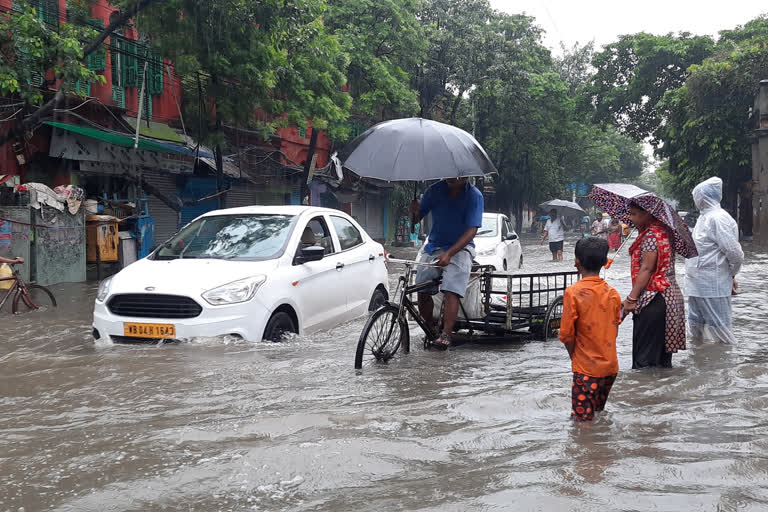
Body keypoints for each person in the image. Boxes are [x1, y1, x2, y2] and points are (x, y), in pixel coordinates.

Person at [409, 177, 483, 347]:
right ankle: (430, 328)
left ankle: (446, 334)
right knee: (421, 286)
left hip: (461, 248)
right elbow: (415, 220)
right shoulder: (434, 191)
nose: (452, 177)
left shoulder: (474, 196)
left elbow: (472, 230)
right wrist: (413, 212)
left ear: (464, 175)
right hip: (434, 246)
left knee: (451, 289)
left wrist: (450, 253)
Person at [559, 237, 621, 421]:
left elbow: (566, 334)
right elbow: (614, 330)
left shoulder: (573, 293)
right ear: (604, 262)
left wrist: (575, 356)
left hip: (586, 370)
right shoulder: (613, 294)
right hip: (610, 368)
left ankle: (589, 449)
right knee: (598, 414)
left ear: (576, 261)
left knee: (582, 423)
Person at [623, 202, 686, 368]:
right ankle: (661, 392)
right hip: (670, 298)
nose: (630, 218)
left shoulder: (651, 236)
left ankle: (646, 392)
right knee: (662, 362)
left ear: (648, 214)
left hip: (655, 298)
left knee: (644, 364)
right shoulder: (664, 232)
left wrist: (631, 298)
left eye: (634, 214)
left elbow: (647, 268)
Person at [685, 177, 744, 344]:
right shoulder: (704, 218)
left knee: (721, 330)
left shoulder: (719, 218)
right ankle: (701, 364)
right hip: (697, 284)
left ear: (703, 197)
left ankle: (726, 366)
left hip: (713, 284)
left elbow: (735, 253)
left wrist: (731, 276)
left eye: (697, 195)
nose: (696, 199)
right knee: (696, 329)